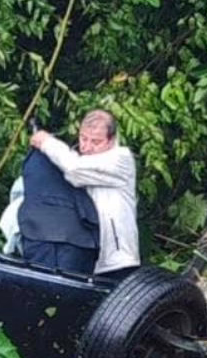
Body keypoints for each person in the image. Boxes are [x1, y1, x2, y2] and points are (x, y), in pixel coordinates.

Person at [30, 110, 140, 278]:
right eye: (83, 138)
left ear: (111, 140)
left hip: (118, 260)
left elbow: (74, 169)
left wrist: (46, 142)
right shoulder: (75, 157)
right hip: (90, 259)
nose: (87, 147)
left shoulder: (121, 159)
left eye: (96, 141)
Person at [16, 135, 102, 273]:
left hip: (46, 238)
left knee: (45, 290)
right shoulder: (87, 159)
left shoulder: (39, 159)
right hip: (83, 241)